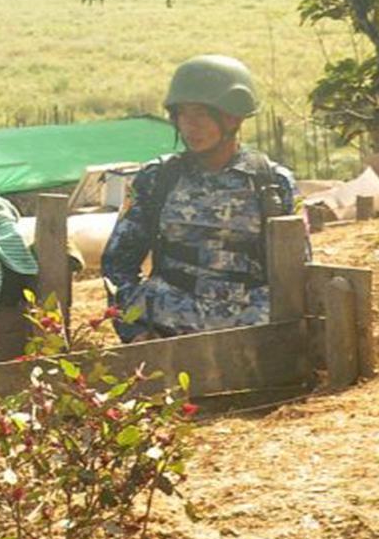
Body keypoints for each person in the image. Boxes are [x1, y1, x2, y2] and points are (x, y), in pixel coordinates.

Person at [102, 55, 300, 342]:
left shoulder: (272, 183)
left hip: (252, 338)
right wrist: (135, 331)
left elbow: (295, 272)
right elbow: (117, 265)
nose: (190, 126)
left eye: (201, 114)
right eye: (182, 114)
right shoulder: (157, 178)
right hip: (165, 332)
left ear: (234, 116)